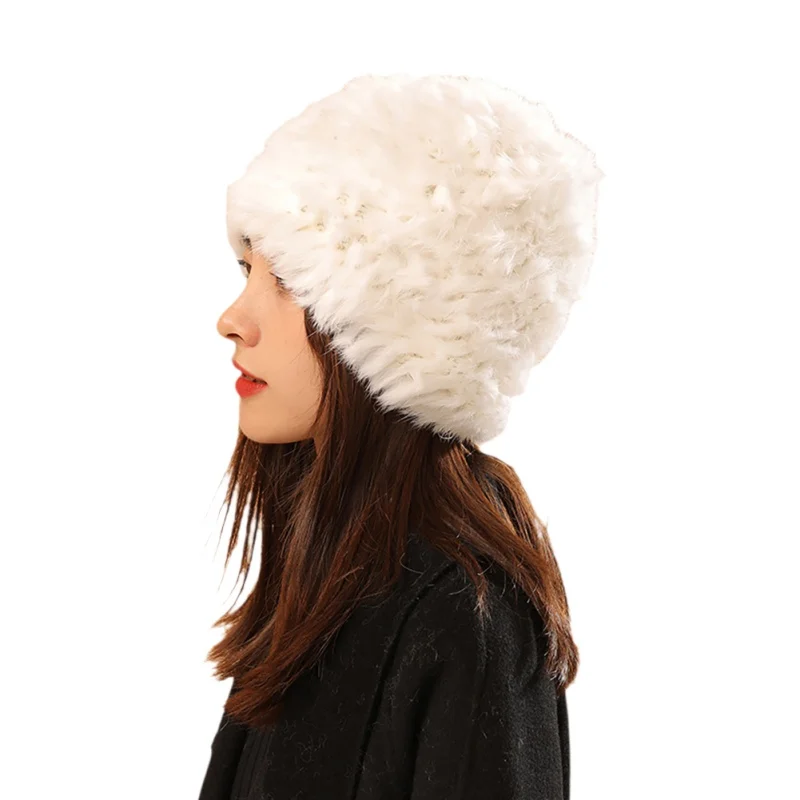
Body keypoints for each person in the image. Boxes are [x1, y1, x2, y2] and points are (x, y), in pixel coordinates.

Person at [199, 72, 604, 800]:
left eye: (286, 280)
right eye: (246, 269)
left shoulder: (466, 613)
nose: (232, 319)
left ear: (398, 329)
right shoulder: (323, 569)